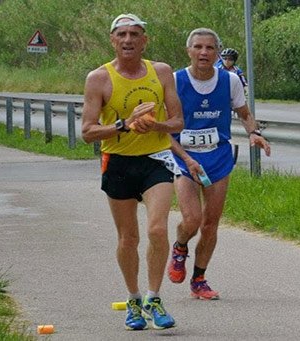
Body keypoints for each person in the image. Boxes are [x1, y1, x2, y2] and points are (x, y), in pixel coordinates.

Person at [81, 13, 184, 331]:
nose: (128, 40)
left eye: (134, 34)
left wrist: (156, 124)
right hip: (119, 162)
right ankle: (134, 300)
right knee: (129, 237)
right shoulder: (98, 78)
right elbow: (87, 131)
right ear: (112, 40)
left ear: (144, 40)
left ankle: (154, 297)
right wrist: (125, 124)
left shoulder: (162, 71)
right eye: (122, 34)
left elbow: (178, 122)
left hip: (156, 158)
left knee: (157, 231)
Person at [167, 28, 271, 300]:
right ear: (188, 50)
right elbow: (164, 130)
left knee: (210, 224)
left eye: (210, 48)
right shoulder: (175, 81)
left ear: (217, 52)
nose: (204, 53)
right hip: (183, 157)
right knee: (192, 219)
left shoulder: (230, 81)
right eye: (198, 47)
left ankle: (199, 279)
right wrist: (186, 157)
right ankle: (179, 247)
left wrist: (254, 133)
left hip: (218, 157)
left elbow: (245, 114)